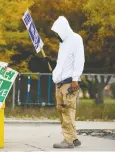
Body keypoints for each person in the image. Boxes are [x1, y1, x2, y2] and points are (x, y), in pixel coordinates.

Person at [47, 16, 85, 148]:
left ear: (63, 29)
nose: (56, 35)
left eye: (57, 32)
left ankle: (68, 140)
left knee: (67, 110)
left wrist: (75, 79)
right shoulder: (62, 42)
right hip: (61, 82)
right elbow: (62, 63)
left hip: (69, 83)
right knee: (62, 110)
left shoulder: (75, 39)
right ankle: (73, 138)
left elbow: (79, 60)